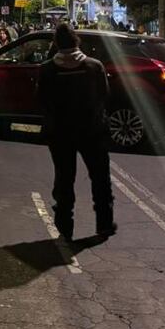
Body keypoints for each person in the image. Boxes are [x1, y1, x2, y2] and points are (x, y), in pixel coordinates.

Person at [37, 23, 115, 241]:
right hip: (92, 130)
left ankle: (64, 227)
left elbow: (42, 101)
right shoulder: (94, 66)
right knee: (100, 178)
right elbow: (104, 95)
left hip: (61, 133)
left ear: (56, 44)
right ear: (76, 42)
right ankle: (105, 224)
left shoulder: (48, 70)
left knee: (64, 179)